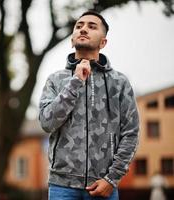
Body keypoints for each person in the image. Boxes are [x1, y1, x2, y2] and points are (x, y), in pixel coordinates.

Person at [39, 11, 139, 200]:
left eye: (92, 26)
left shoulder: (119, 83)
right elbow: (46, 122)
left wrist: (112, 179)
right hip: (62, 186)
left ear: (103, 42)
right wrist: (75, 81)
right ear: (72, 39)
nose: (83, 29)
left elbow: (131, 133)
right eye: (79, 26)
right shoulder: (55, 80)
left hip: (103, 185)